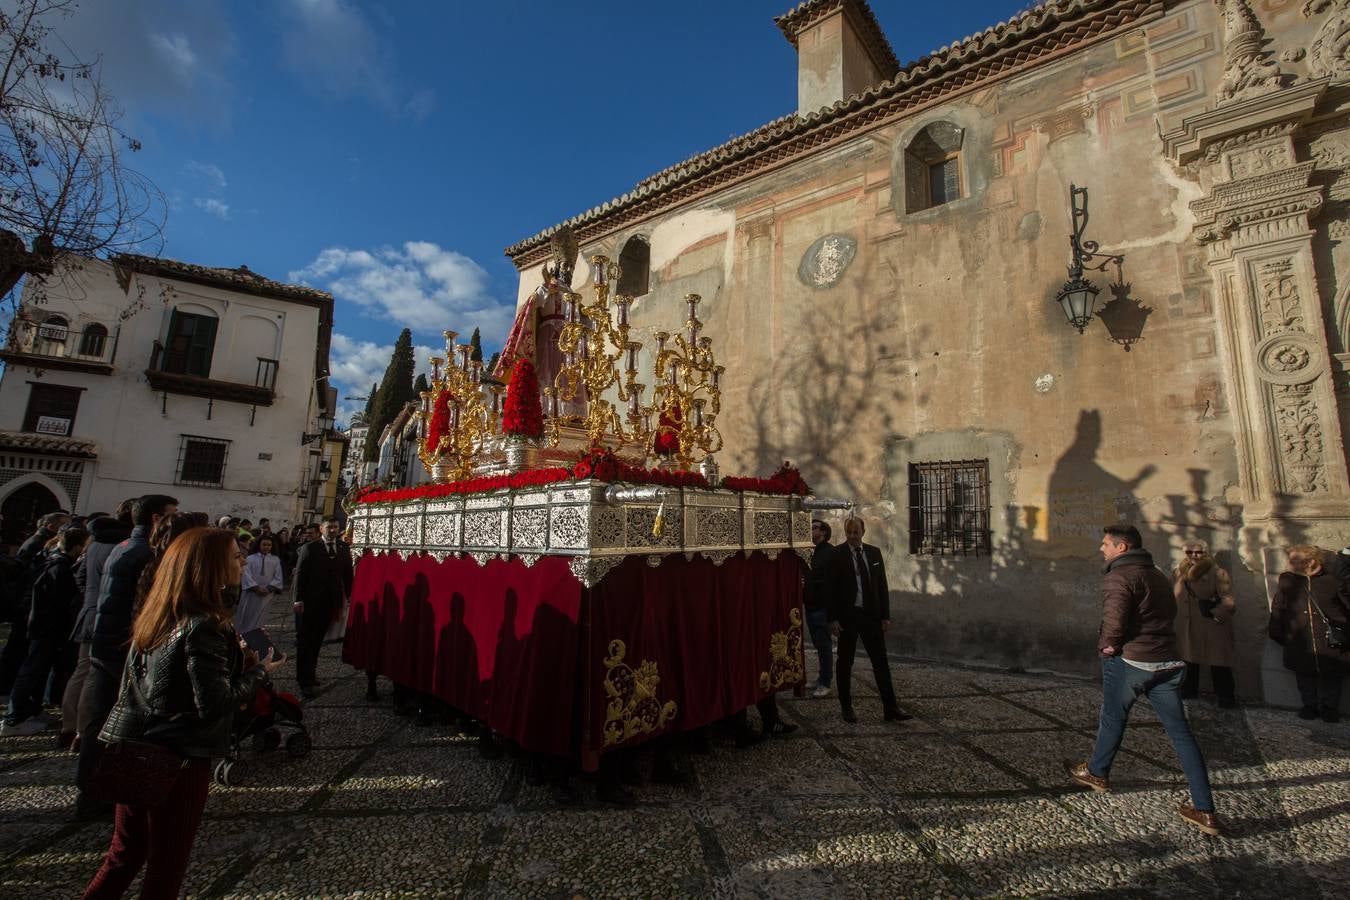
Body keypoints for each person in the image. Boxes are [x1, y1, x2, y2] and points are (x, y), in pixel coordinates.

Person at [82, 527, 283, 899]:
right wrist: (259, 672)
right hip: (178, 757)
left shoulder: (159, 611)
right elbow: (215, 703)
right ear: (210, 566)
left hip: (134, 747)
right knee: (166, 865)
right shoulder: (205, 624)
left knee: (123, 857)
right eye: (235, 557)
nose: (242, 563)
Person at [1065, 525, 1219, 836]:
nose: (1101, 548)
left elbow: (1114, 619)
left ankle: (1097, 772)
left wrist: (1108, 647)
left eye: (1106, 543)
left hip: (1133, 660)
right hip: (1169, 660)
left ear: (1122, 547)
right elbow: (1170, 610)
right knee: (1181, 734)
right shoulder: (1157, 573)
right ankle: (1206, 810)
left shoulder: (1119, 576)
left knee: (1112, 717)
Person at [75, 494, 178, 818]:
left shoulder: (119, 548)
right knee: (124, 724)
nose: (174, 521)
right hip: (124, 648)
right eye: (171, 516)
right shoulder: (146, 554)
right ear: (155, 520)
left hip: (102, 641)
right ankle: (114, 793)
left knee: (98, 721)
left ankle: (90, 792)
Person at [2, 526, 88, 735]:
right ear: (77, 547)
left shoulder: (52, 561)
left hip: (42, 626)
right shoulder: (59, 567)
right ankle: (14, 719)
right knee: (31, 669)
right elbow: (55, 602)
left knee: (36, 670)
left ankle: (29, 711)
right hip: (46, 628)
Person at [62, 502, 135, 749]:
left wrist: (93, 599)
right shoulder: (123, 547)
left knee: (82, 671)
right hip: (112, 618)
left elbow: (79, 576)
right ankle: (86, 731)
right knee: (100, 677)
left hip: (90, 612)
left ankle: (68, 726)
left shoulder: (93, 545)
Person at [828, 516, 909, 724]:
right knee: (845, 662)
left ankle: (890, 708)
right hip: (848, 616)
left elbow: (881, 586)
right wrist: (832, 619)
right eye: (849, 532)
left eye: (856, 532)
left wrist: (885, 615)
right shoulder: (837, 554)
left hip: (871, 616)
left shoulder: (873, 553)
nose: (853, 536)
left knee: (880, 661)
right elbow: (831, 589)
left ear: (863, 532)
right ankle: (846, 707)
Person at [1268, 545, 1349, 723]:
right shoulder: (1287, 580)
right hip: (1300, 636)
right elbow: (1278, 607)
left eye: (1294, 559)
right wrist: (1277, 631)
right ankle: (1309, 705)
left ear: (1311, 562)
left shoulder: (1331, 580)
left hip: (1329, 637)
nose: (1289, 563)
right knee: (1304, 673)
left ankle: (1330, 708)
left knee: (1332, 673)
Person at [0, 511, 71, 697]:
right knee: (18, 654)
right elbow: (23, 573)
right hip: (28, 606)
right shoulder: (38, 545)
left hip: (27, 605)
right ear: (51, 527)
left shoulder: (40, 543)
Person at [293, 515, 353, 699]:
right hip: (311, 602)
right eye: (329, 527)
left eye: (335, 527)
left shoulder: (343, 548)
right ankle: (304, 681)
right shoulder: (310, 548)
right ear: (321, 528)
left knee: (317, 641)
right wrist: (298, 599)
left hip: (330, 602)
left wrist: (351, 596)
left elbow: (347, 575)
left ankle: (311, 673)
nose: (333, 530)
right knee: (306, 642)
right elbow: (300, 575)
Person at [1172, 540, 1237, 708]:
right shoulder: (1179, 572)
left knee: (1218, 661)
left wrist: (1217, 615)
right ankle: (1189, 689)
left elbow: (1228, 599)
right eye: (1189, 552)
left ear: (1205, 553)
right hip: (1188, 623)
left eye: (1198, 552)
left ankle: (1225, 696)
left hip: (1210, 623)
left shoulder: (1217, 573)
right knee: (1189, 659)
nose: (1194, 555)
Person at [803, 519, 835, 698]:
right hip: (811, 605)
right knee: (818, 644)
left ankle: (825, 682)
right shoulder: (811, 551)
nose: (811, 530)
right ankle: (821, 677)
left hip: (821, 607)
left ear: (823, 532)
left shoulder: (829, 552)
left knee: (824, 645)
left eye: (814, 527)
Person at [235, 536, 283, 634]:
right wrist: (256, 588)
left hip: (267, 594)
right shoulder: (250, 558)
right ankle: (243, 634)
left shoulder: (275, 560)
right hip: (251, 593)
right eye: (264, 545)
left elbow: (278, 576)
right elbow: (246, 574)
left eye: (269, 545)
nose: (266, 547)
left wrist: (269, 588)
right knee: (247, 614)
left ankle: (258, 635)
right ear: (258, 545)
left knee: (261, 616)